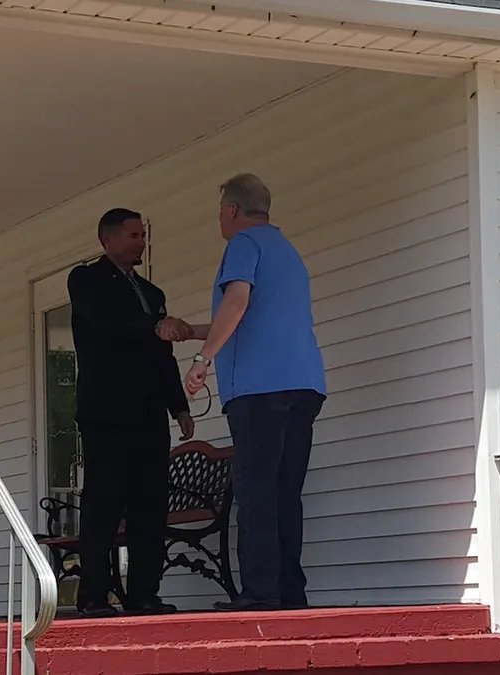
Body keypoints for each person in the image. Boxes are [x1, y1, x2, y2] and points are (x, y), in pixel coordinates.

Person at [178, 173, 327, 611]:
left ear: (231, 210)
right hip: (303, 385)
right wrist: (192, 333)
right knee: (284, 491)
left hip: (260, 388)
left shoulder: (243, 245)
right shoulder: (287, 252)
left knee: (256, 489)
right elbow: (248, 315)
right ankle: (288, 591)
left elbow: (237, 301)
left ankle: (260, 593)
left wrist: (203, 359)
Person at [66, 207, 196, 618]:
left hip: (148, 415)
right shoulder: (86, 280)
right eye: (133, 235)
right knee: (103, 504)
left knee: (150, 505)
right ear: (107, 240)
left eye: (143, 234)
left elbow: (163, 358)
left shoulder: (152, 294)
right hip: (106, 413)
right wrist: (153, 327)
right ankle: (93, 595)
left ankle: (144, 593)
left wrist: (179, 406)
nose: (141, 241)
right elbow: (105, 323)